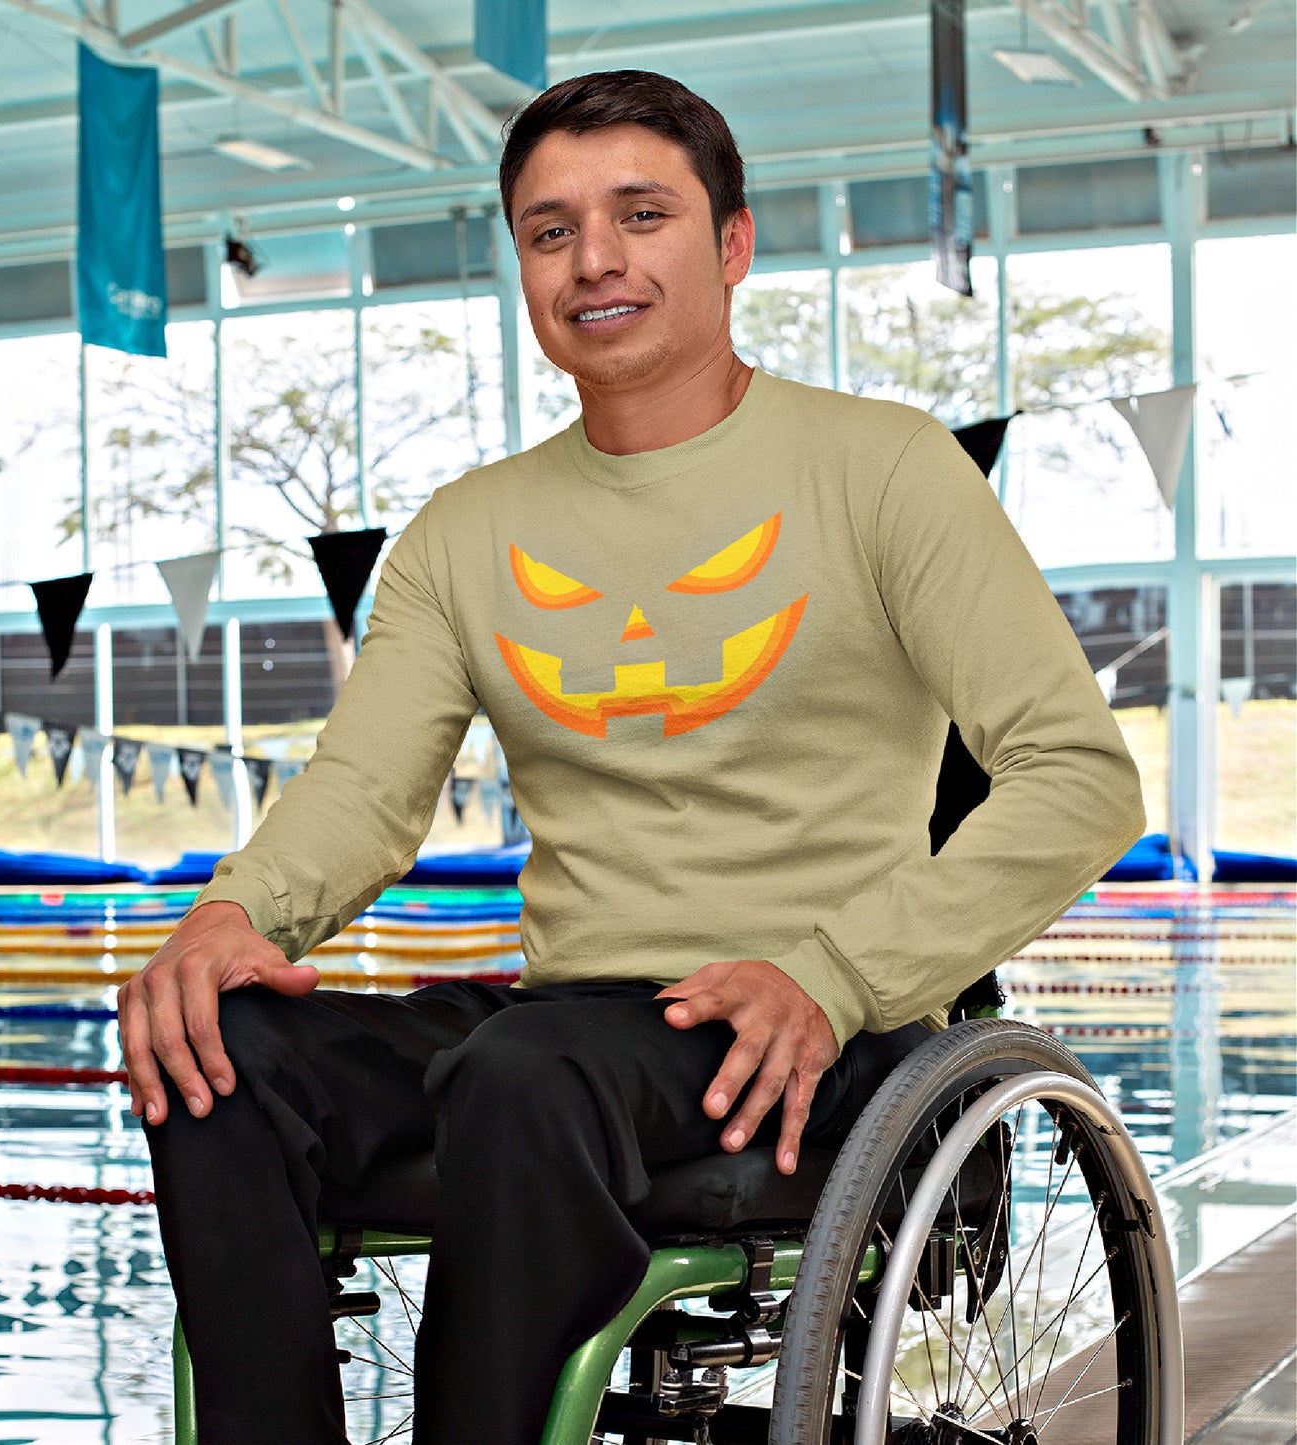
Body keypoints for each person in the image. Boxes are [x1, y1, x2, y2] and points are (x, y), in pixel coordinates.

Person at [118, 69, 1144, 1444]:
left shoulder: (882, 470)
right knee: (220, 1044)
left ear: (729, 245)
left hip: (812, 1025)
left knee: (527, 1074)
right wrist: (230, 920)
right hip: (570, 1028)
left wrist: (832, 976)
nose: (593, 259)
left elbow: (1078, 774)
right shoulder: (465, 530)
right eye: (549, 231)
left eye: (639, 214)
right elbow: (363, 790)